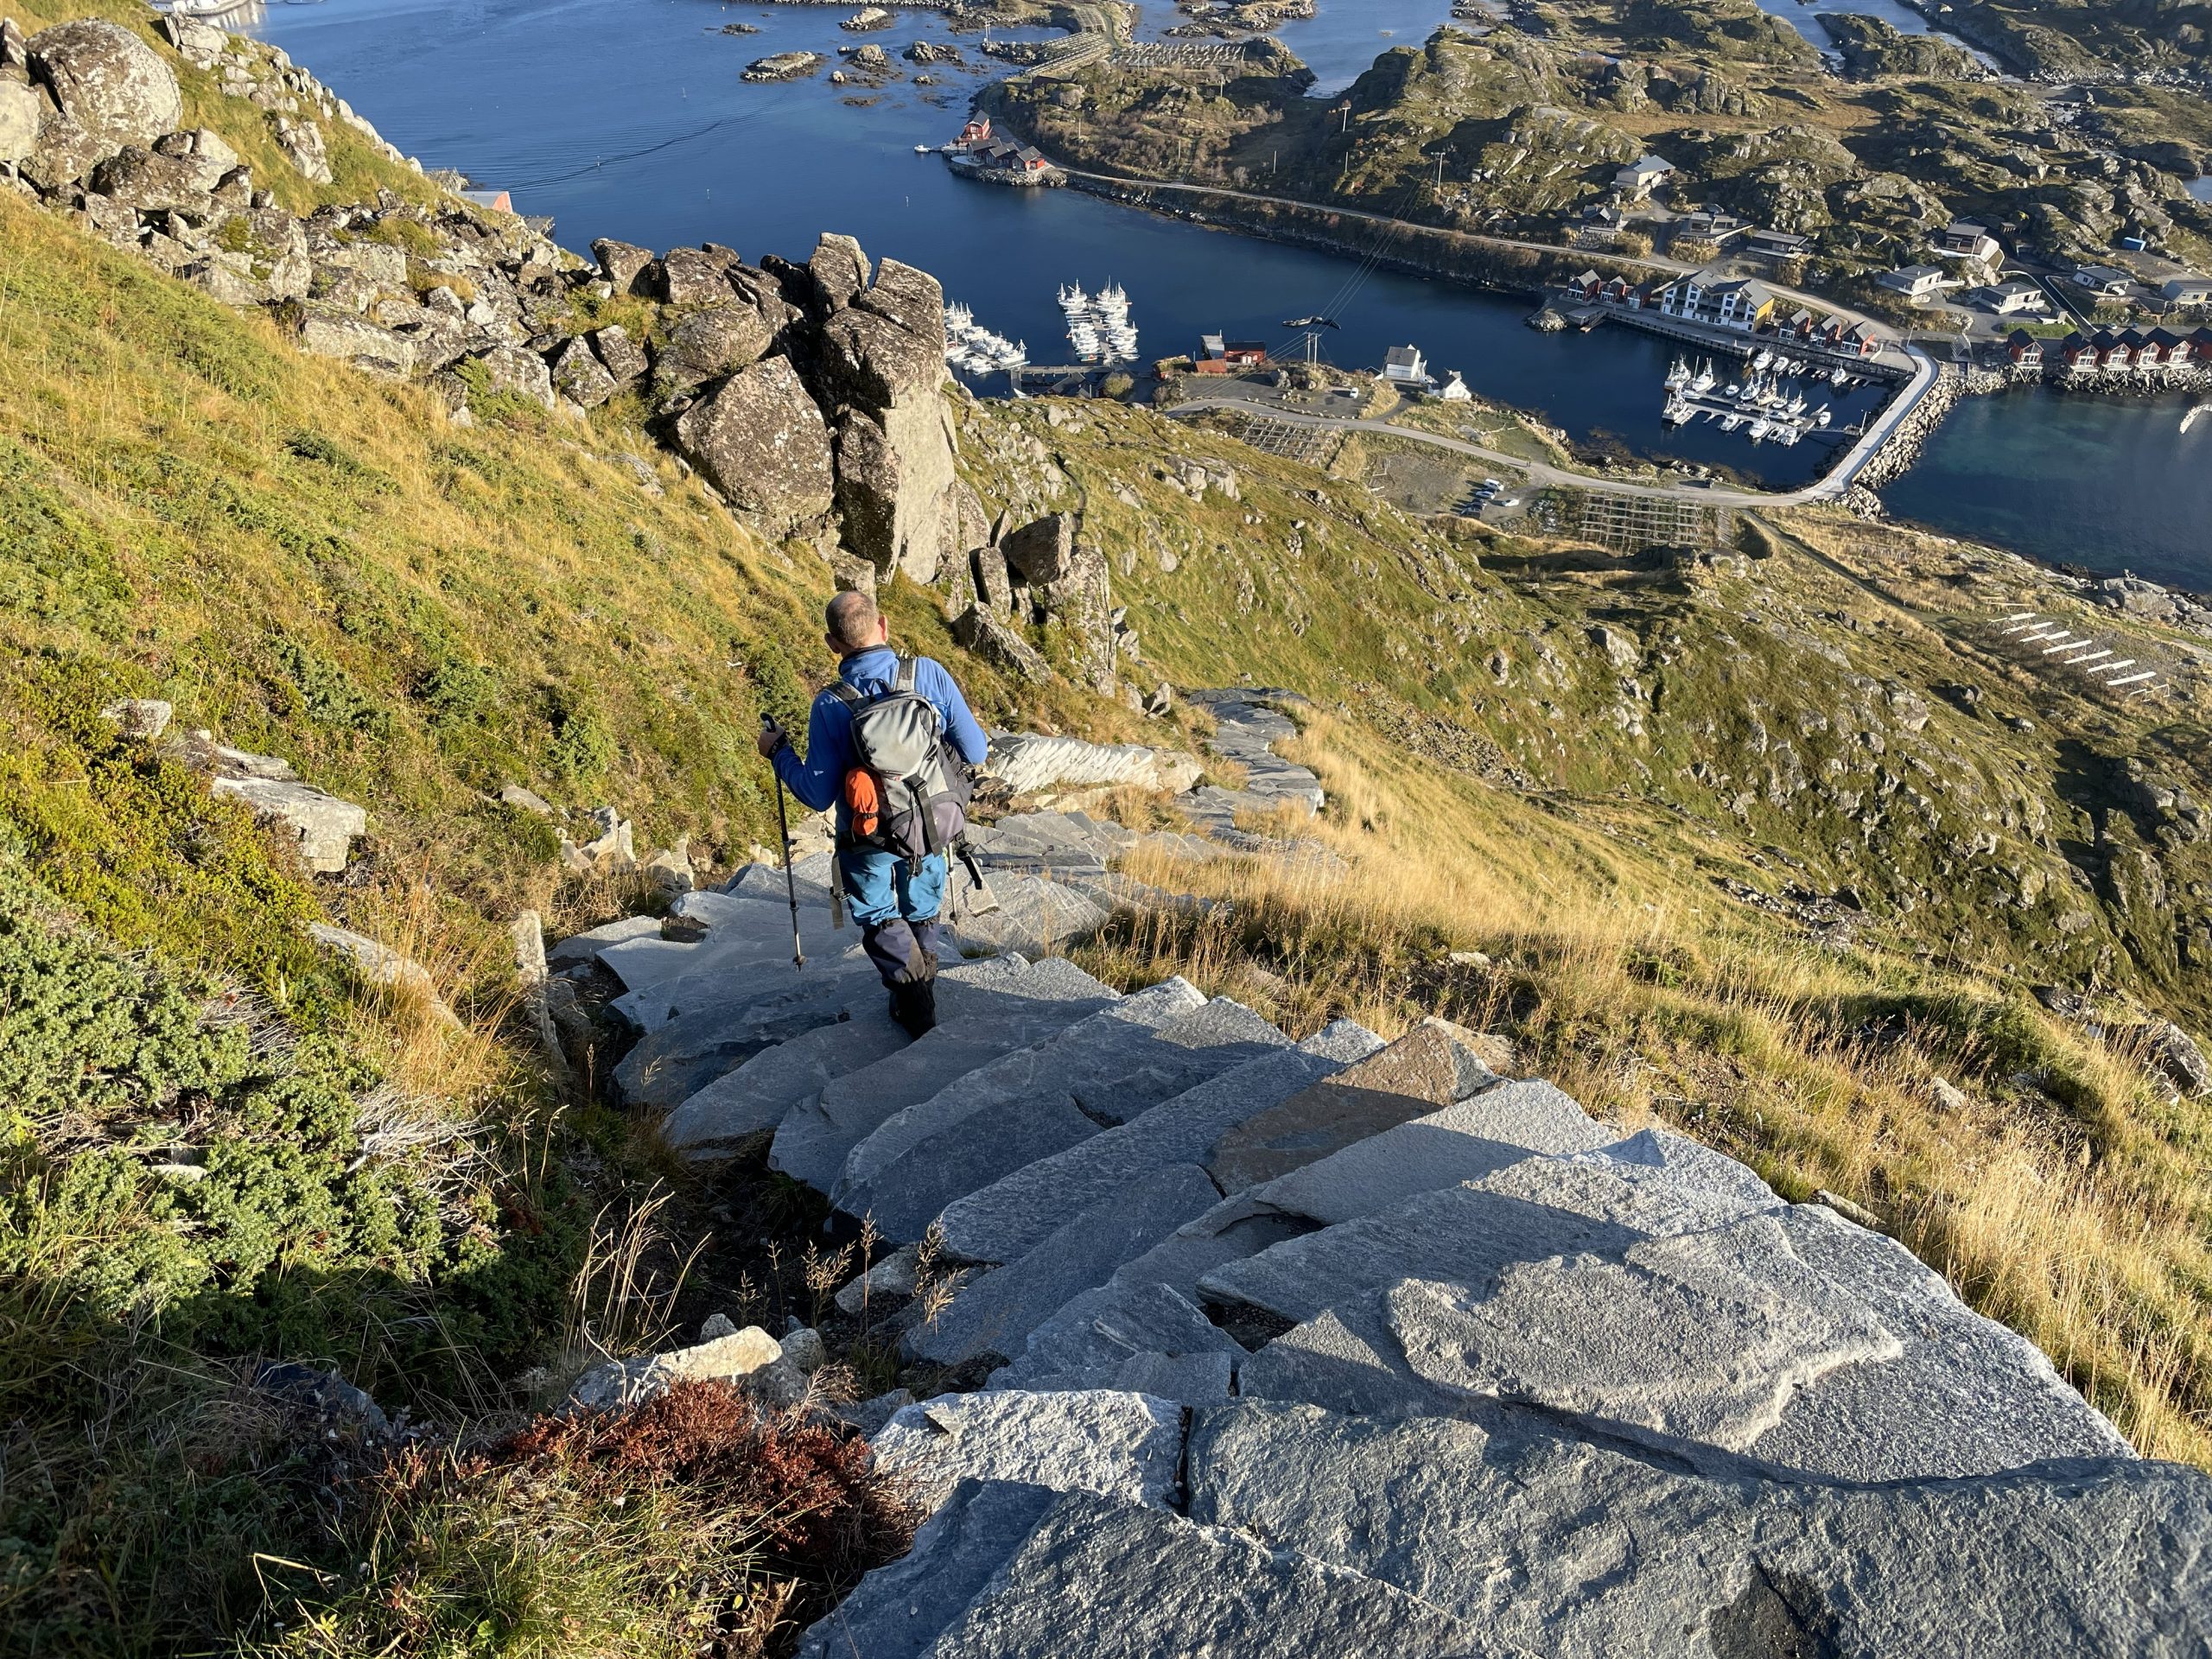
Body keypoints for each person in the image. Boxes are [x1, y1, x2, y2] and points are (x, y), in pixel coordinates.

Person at [757, 590, 988, 1036]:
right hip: (929, 824)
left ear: (833, 644)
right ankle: (923, 983)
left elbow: (816, 794)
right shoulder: (928, 673)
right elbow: (976, 750)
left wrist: (778, 752)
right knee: (922, 904)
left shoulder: (830, 704)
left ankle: (915, 1000)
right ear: (883, 626)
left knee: (880, 913)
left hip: (868, 837)